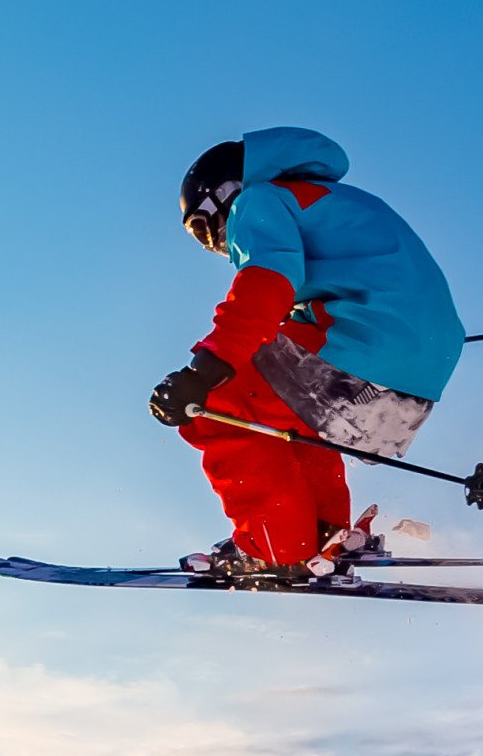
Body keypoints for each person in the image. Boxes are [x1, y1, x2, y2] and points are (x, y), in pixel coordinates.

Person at [149, 127, 465, 580]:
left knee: (216, 408)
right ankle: (324, 538)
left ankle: (276, 547)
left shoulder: (258, 200)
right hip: (416, 374)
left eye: (205, 229)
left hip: (360, 351)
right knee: (288, 417)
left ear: (222, 194)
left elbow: (266, 281)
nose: (216, 245)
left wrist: (207, 369)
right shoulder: (333, 200)